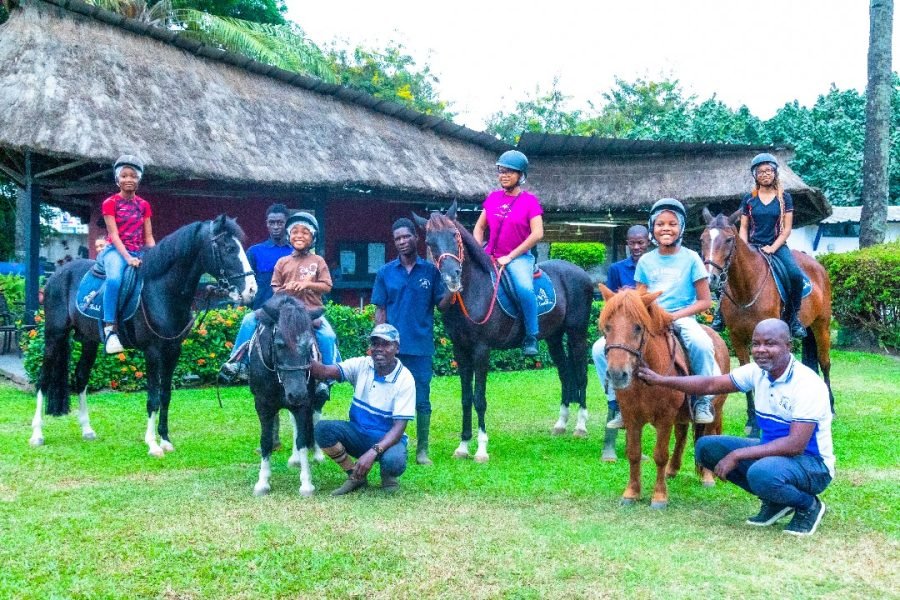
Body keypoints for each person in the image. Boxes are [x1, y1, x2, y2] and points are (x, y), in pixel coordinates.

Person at [637, 318, 834, 536]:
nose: (760, 350)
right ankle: (777, 501)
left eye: (770, 344)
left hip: (812, 465)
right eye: (756, 344)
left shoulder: (807, 384)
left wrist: (737, 455)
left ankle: (808, 505)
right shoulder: (757, 372)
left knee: (762, 472)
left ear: (788, 346)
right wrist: (661, 380)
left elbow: (795, 445)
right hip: (776, 456)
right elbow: (710, 384)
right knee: (706, 448)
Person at [218, 212, 339, 391]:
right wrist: (288, 289)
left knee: (327, 335)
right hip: (283, 309)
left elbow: (327, 286)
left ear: (313, 237)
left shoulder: (318, 261)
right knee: (249, 320)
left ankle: (326, 377)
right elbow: (275, 287)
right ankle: (238, 363)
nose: (299, 236)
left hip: (309, 310)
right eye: (295, 232)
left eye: (305, 233)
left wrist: (307, 285)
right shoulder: (282, 262)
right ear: (289, 236)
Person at [372, 218, 451, 466]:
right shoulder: (385, 273)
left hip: (420, 347)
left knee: (422, 399)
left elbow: (441, 305)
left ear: (416, 238)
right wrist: (378, 343)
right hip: (391, 350)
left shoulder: (431, 272)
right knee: (387, 398)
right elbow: (380, 310)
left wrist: (453, 290)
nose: (402, 241)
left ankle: (422, 450)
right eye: (398, 238)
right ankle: (387, 444)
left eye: (406, 236)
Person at [634, 198, 717, 424]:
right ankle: (617, 402)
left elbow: (705, 301)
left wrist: (673, 316)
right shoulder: (645, 261)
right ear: (652, 228)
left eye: (672, 224)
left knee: (701, 344)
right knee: (601, 348)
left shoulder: (692, 258)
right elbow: (640, 298)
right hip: (650, 318)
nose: (666, 228)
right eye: (660, 224)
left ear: (681, 227)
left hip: (682, 317)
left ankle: (703, 399)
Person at [311, 323, 415, 496]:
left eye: (386, 344)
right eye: (375, 343)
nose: (379, 349)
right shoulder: (362, 365)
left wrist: (373, 452)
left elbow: (398, 429)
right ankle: (355, 475)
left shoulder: (405, 379)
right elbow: (324, 372)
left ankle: (388, 476)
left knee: (394, 461)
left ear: (397, 348)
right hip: (358, 433)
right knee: (322, 430)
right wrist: (300, 354)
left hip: (388, 439)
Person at [711, 153, 806, 338]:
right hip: (753, 246)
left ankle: (793, 318)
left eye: (769, 170)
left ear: (775, 173)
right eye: (761, 171)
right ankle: (720, 314)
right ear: (755, 175)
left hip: (777, 247)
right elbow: (744, 227)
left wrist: (773, 247)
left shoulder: (784, 198)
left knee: (795, 275)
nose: (765, 174)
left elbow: (786, 229)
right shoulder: (749, 199)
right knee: (727, 272)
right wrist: (744, 247)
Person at [473, 150, 544, 356]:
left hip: (518, 258)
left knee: (524, 288)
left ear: (521, 175)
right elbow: (479, 227)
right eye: (501, 171)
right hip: (490, 255)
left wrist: (511, 256)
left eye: (510, 172)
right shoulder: (493, 198)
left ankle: (531, 335)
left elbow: (538, 233)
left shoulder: (530, 201)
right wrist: (478, 250)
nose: (504, 175)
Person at [219, 204, 291, 380]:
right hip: (263, 310)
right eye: (272, 222)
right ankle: (238, 364)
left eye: (280, 222)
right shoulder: (255, 252)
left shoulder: (295, 252)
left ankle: (327, 373)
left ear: (286, 223)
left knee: (323, 334)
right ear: (266, 224)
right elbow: (243, 283)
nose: (276, 226)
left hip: (291, 310)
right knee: (247, 321)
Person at [592, 225, 650, 436]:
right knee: (598, 349)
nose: (636, 247)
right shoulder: (617, 269)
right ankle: (614, 400)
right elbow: (611, 303)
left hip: (647, 322)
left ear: (648, 242)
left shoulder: (654, 265)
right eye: (632, 243)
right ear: (627, 244)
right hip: (624, 324)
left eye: (640, 243)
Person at [98, 154, 155, 354]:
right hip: (115, 251)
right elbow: (114, 235)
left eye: (133, 176)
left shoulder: (144, 205)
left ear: (139, 179)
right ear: (117, 180)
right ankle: (110, 330)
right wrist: (128, 258)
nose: (128, 179)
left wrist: (154, 256)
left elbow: (149, 237)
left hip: (138, 251)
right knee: (114, 280)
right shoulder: (110, 203)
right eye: (124, 176)